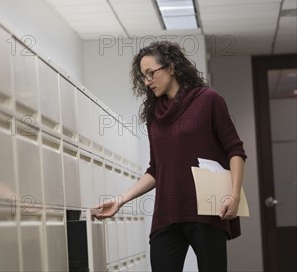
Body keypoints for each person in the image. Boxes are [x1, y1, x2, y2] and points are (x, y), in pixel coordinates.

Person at [91, 41, 246, 272]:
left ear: (171, 68)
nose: (147, 81)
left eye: (150, 73)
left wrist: (234, 195)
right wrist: (120, 200)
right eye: (143, 76)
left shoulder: (208, 100)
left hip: (206, 210)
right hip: (167, 214)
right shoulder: (154, 115)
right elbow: (156, 169)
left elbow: (235, 150)